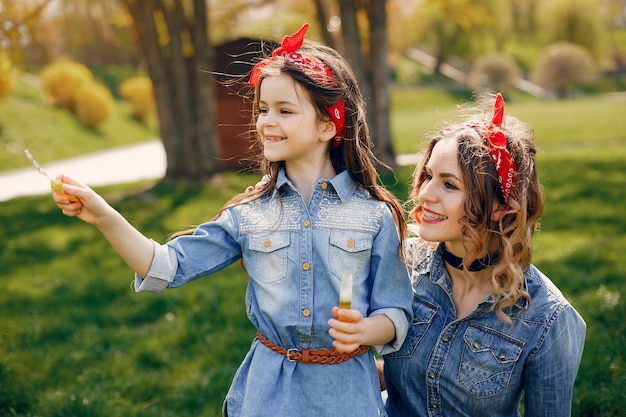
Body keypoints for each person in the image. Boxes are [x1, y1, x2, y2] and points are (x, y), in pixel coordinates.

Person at [51, 23, 412, 417]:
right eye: (262, 110)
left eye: (284, 111)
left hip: (347, 395)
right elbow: (163, 267)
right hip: (268, 395)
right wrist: (104, 215)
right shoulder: (249, 214)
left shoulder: (373, 215)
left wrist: (365, 330)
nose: (266, 122)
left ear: (329, 124)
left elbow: (396, 312)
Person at [380, 92, 586, 416]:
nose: (424, 193)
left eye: (449, 185)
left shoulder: (547, 320)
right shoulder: (400, 264)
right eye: (429, 176)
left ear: (498, 207)